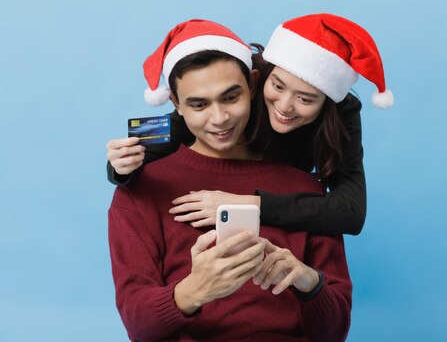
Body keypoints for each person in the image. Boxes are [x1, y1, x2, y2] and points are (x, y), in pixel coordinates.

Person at [109, 19, 352, 341]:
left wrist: (309, 283)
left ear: (253, 85)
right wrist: (193, 291)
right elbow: (139, 326)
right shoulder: (140, 190)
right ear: (175, 104)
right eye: (198, 104)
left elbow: (333, 333)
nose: (219, 119)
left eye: (230, 98)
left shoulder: (306, 190)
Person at [106, 13, 393, 235]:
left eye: (306, 99)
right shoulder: (226, 89)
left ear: (327, 103)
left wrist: (245, 204)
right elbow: (139, 144)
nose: (284, 107)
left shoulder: (343, 113)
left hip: (280, 229)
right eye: (278, 87)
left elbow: (351, 212)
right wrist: (118, 166)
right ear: (257, 82)